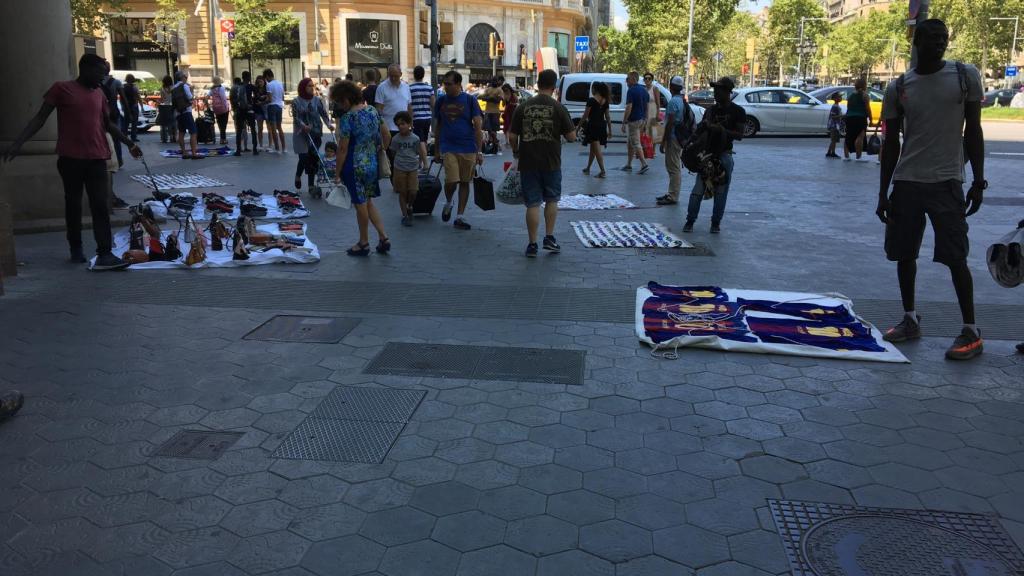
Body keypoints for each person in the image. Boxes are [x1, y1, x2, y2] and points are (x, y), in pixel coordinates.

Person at [876, 18, 986, 361]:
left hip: (946, 181)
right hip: (907, 183)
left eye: (944, 38)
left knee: (956, 258)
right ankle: (910, 319)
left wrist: (979, 180)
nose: (940, 42)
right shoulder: (899, 86)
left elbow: (974, 132)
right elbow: (890, 143)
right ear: (916, 40)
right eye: (933, 37)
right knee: (904, 254)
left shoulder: (964, 76)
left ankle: (971, 330)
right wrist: (883, 192)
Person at [2, 53, 140, 270]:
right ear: (85, 69)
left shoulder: (99, 94)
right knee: (73, 205)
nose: (102, 79)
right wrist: (18, 142)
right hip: (70, 159)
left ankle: (104, 253)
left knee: (100, 205)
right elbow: (40, 118)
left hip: (97, 158)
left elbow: (107, 124)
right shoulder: (61, 89)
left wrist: (129, 143)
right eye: (99, 74)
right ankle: (75, 248)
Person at [509, 69, 576, 258]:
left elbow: (512, 136)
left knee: (532, 203)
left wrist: (516, 152)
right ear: (554, 87)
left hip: (528, 162)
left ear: (537, 84)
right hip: (551, 162)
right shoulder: (558, 107)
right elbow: (571, 137)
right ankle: (549, 237)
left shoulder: (523, 107)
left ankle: (532, 244)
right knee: (552, 199)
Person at [331, 80, 391, 256]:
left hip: (354, 165)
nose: (341, 105)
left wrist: (337, 173)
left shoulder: (348, 118)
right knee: (369, 202)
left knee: (360, 205)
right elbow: (386, 134)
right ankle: (383, 237)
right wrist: (382, 148)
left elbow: (342, 149)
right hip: (371, 164)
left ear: (347, 99)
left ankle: (364, 242)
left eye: (341, 101)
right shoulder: (372, 110)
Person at [683, 76, 745, 234]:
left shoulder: (738, 111)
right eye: (714, 90)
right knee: (697, 190)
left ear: (727, 92)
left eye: (718, 90)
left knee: (721, 192)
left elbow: (739, 134)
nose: (715, 93)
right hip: (707, 156)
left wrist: (720, 130)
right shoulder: (710, 110)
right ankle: (690, 220)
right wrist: (690, 142)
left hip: (724, 155)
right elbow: (700, 130)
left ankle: (715, 223)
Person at [434, 70, 483, 231]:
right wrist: (436, 149)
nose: (445, 87)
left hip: (468, 147)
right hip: (448, 147)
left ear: (458, 84)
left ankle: (460, 216)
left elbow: (478, 127)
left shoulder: (470, 100)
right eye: (444, 84)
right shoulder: (441, 101)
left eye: (449, 84)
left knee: (464, 182)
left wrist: (479, 151)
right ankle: (449, 202)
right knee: (451, 181)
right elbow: (438, 127)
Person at [292, 77, 333, 192]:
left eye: (312, 86)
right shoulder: (296, 101)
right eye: (309, 86)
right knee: (304, 157)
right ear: (303, 87)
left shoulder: (317, 100)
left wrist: (329, 124)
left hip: (315, 132)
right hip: (301, 134)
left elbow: (323, 114)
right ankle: (298, 175)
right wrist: (303, 126)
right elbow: (296, 117)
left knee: (313, 157)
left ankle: (311, 185)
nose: (312, 88)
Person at [390, 111, 428, 227]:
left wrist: (424, 163)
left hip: (412, 167)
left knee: (413, 191)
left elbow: (420, 151)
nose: (401, 126)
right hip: (399, 167)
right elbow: (393, 152)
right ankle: (405, 215)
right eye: (398, 125)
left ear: (409, 124)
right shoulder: (396, 139)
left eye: (403, 124)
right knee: (402, 192)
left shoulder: (415, 138)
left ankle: (409, 205)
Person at [657, 75, 690, 205]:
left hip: (673, 138)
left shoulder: (673, 102)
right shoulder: (681, 100)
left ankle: (673, 196)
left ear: (671, 87)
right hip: (678, 137)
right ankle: (671, 192)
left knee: (673, 167)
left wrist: (663, 141)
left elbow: (669, 123)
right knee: (674, 166)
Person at [375, 63, 413, 169]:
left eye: (395, 76)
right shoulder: (382, 88)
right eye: (390, 75)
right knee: (393, 158)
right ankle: (396, 183)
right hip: (389, 129)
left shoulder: (406, 87)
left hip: (404, 128)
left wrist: (411, 124)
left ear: (401, 74)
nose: (393, 78)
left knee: (404, 156)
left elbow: (409, 106)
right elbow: (379, 109)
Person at [621, 71, 649, 174]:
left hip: (633, 120)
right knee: (630, 142)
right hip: (641, 120)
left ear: (633, 79)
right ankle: (629, 164)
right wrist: (646, 119)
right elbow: (647, 106)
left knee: (636, 142)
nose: (626, 82)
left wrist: (624, 122)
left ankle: (644, 164)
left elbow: (629, 107)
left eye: (627, 79)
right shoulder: (644, 90)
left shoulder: (631, 91)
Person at [582, 81, 611, 178]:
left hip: (593, 126)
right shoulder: (605, 100)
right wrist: (609, 130)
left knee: (597, 150)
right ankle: (588, 168)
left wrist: (578, 128)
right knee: (593, 150)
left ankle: (602, 171)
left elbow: (585, 115)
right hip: (602, 126)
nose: (592, 90)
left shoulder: (591, 100)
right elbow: (607, 116)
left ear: (595, 89)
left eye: (592, 88)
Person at [171, 70, 201, 159]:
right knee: (193, 132)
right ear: (182, 77)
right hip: (186, 111)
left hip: (178, 112)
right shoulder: (184, 86)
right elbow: (190, 97)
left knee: (181, 132)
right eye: (185, 76)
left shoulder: (173, 88)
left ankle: (184, 152)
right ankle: (194, 153)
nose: (186, 77)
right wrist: (192, 91)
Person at [100, 69, 127, 167]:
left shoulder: (97, 82)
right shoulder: (116, 82)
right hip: (113, 112)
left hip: (101, 114)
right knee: (116, 138)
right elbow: (123, 97)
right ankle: (119, 161)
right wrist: (127, 111)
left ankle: (105, 160)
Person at [844, 78, 872, 162]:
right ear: (864, 86)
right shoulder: (865, 95)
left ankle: (846, 156)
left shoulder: (850, 96)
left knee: (848, 136)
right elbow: (867, 108)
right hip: (860, 118)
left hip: (849, 117)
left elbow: (848, 108)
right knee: (860, 136)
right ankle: (858, 157)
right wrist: (870, 118)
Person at [231, 73, 258, 156]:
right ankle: (255, 149)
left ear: (242, 78)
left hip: (240, 111)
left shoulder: (237, 86)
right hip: (249, 110)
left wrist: (235, 109)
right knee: (253, 130)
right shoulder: (251, 87)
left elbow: (232, 99)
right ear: (249, 78)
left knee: (239, 130)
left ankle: (238, 150)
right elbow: (256, 96)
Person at [410, 65, 435, 145]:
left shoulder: (410, 88)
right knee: (424, 138)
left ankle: (423, 157)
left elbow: (409, 105)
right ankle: (424, 155)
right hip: (427, 118)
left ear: (414, 75)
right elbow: (433, 104)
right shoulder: (429, 88)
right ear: (423, 75)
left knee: (419, 140)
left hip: (416, 118)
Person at [264, 69, 286, 153]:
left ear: (267, 76)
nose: (266, 80)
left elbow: (269, 99)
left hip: (272, 106)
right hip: (279, 106)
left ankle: (277, 148)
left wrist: (261, 102)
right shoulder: (280, 83)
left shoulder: (269, 85)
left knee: (273, 128)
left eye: (266, 78)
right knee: (279, 127)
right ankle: (284, 148)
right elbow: (282, 96)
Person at [643, 72, 662, 159]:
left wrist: (658, 114)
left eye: (649, 78)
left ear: (652, 80)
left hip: (653, 112)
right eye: (646, 78)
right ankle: (647, 151)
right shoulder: (643, 89)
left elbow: (658, 103)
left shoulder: (655, 89)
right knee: (645, 133)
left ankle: (653, 152)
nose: (647, 80)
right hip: (645, 113)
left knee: (654, 133)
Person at [482, 78, 504, 150]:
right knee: (488, 128)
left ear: (497, 82)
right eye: (493, 81)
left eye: (496, 81)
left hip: (495, 112)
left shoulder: (499, 90)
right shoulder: (488, 89)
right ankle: (493, 140)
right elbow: (483, 97)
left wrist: (491, 98)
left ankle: (493, 141)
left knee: (494, 128)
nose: (494, 82)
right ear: (491, 82)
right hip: (488, 111)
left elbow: (499, 99)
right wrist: (490, 98)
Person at [209, 76, 230, 146]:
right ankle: (223, 139)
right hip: (223, 108)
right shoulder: (221, 88)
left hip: (216, 108)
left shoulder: (212, 89)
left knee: (220, 123)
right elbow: (223, 98)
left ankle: (222, 138)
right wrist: (226, 106)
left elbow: (207, 96)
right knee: (224, 123)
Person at [122, 74, 141, 142]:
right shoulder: (134, 87)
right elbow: (138, 96)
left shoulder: (123, 87)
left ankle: (124, 136)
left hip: (127, 106)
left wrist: (123, 106)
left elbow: (122, 98)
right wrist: (141, 105)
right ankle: (133, 137)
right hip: (134, 106)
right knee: (134, 122)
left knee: (126, 122)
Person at [254, 75, 269, 150]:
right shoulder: (255, 89)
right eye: (258, 82)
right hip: (259, 110)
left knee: (270, 128)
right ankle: (260, 145)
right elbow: (254, 98)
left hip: (266, 109)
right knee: (260, 128)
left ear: (264, 81)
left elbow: (269, 97)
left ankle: (270, 145)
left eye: (261, 81)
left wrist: (265, 96)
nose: (260, 83)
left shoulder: (267, 88)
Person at [500, 84, 518, 149]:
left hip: (513, 111)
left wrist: (511, 103)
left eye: (506, 90)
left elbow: (516, 102)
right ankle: (507, 141)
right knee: (506, 126)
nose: (505, 91)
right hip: (507, 111)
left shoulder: (513, 94)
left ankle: (511, 141)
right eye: (504, 90)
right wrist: (504, 99)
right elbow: (503, 104)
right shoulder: (504, 94)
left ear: (509, 89)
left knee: (512, 126)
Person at [159, 74, 175, 144]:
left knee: (163, 123)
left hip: (164, 106)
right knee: (172, 122)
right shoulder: (174, 88)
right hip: (172, 106)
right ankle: (172, 137)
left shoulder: (162, 89)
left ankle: (164, 138)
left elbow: (162, 99)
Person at [826, 92, 843, 158]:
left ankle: (829, 152)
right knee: (834, 140)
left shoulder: (837, 105)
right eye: (839, 97)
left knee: (834, 140)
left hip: (836, 125)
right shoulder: (835, 106)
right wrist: (842, 116)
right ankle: (833, 152)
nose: (841, 98)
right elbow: (833, 117)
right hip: (834, 125)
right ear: (835, 99)